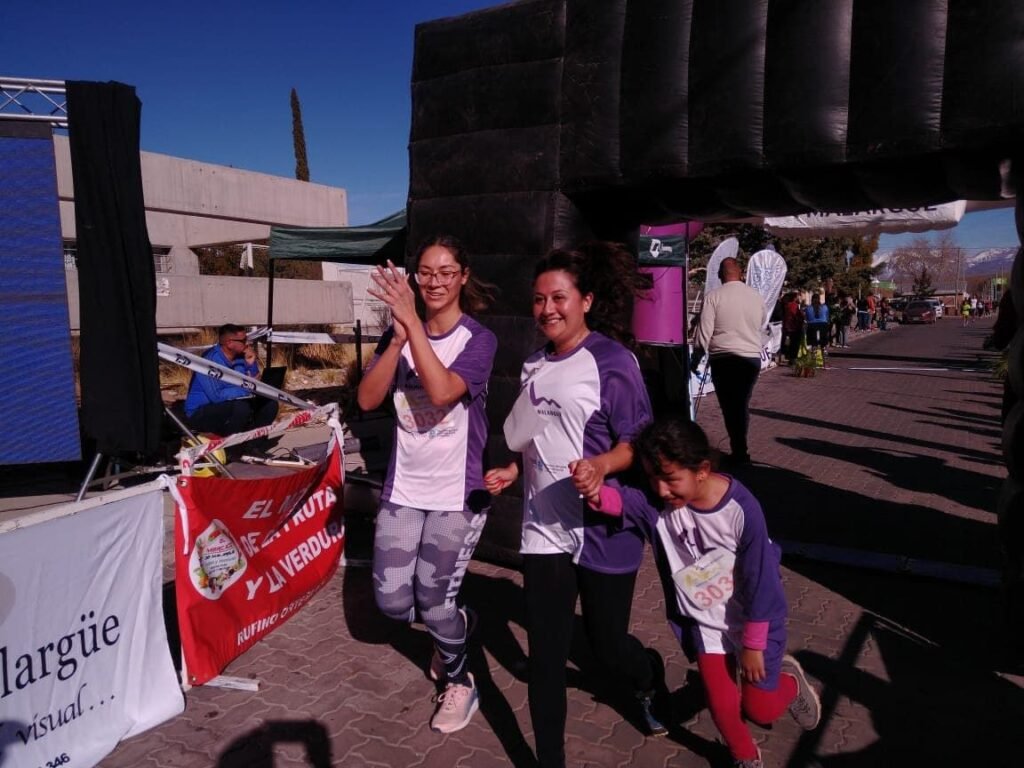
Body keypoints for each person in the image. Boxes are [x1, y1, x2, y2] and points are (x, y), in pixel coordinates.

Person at [484, 242, 664, 768]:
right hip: (545, 527)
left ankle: (647, 674)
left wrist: (601, 467)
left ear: (585, 300)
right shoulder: (533, 363)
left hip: (602, 526)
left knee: (608, 648)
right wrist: (515, 468)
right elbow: (539, 434)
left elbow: (639, 442)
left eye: (558, 298)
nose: (547, 310)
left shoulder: (613, 361)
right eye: (538, 301)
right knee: (546, 658)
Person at [587, 418, 822, 768]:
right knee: (722, 705)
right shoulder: (659, 505)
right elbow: (625, 502)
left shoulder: (741, 510)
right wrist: (592, 490)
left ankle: (789, 682)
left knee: (759, 709)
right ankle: (745, 758)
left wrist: (754, 645)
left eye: (670, 478)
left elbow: (762, 582)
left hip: (753, 621)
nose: (661, 489)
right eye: (653, 478)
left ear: (701, 470)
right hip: (707, 623)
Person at [357, 235, 497, 734]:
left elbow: (441, 391)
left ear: (463, 276)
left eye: (445, 272)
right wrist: (397, 339)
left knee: (435, 602)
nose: (434, 281)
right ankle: (459, 625)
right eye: (425, 273)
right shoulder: (399, 333)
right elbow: (369, 400)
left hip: (457, 496)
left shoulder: (478, 340)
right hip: (404, 490)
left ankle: (460, 680)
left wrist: (412, 322)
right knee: (394, 603)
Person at [691, 257, 766, 466]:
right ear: (740, 273)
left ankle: (740, 450)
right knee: (741, 403)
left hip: (724, 358)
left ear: (720, 275)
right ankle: (740, 448)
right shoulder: (755, 297)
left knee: (730, 405)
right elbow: (761, 322)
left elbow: (704, 331)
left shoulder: (714, 296)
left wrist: (696, 357)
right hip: (750, 358)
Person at [184, 323, 279, 436]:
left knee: (269, 404)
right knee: (241, 408)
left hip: (230, 402)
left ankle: (253, 446)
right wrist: (248, 388)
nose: (247, 343)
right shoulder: (209, 361)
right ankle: (231, 450)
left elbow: (253, 379)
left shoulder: (239, 356)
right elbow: (217, 396)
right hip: (200, 411)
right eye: (243, 340)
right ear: (229, 343)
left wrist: (251, 362)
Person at [779, 292, 803, 364]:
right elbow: (796, 315)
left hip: (788, 327)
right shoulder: (793, 305)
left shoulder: (786, 305)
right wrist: (801, 318)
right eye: (797, 297)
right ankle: (792, 359)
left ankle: (788, 357)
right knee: (794, 344)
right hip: (794, 327)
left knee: (788, 343)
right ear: (794, 298)